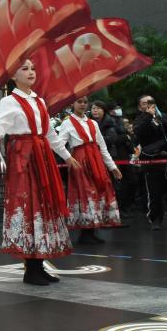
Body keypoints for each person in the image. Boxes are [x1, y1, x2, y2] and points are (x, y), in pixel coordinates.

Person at [0, 59, 80, 286]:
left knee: (43, 207)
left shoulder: (39, 101)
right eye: (24, 69)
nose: (31, 72)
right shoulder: (8, 101)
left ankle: (38, 265)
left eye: (33, 68)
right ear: (13, 76)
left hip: (42, 158)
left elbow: (50, 134)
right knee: (28, 208)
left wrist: (67, 156)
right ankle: (30, 269)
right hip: (23, 161)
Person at [58, 97, 122, 244]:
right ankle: (85, 232)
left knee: (98, 191)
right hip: (80, 162)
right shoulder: (67, 123)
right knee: (85, 194)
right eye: (79, 102)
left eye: (85, 102)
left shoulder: (93, 123)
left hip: (96, 160)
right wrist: (69, 158)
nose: (82, 104)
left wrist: (112, 166)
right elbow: (59, 145)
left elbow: (102, 146)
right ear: (73, 104)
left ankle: (92, 231)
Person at [134, 95, 167, 230]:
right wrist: (148, 117)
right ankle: (156, 219)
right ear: (140, 107)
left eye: (151, 102)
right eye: (145, 103)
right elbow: (138, 134)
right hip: (151, 163)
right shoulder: (139, 120)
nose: (149, 105)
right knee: (154, 193)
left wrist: (161, 119)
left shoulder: (164, 116)